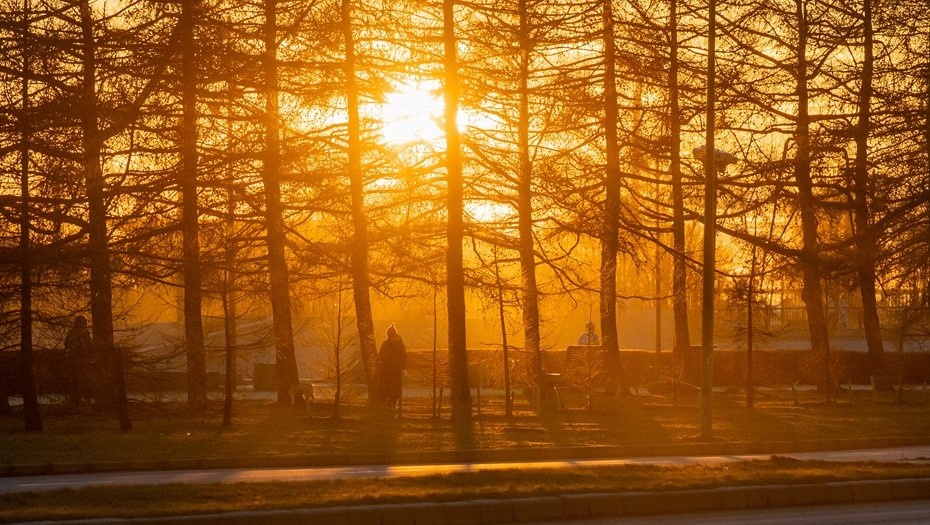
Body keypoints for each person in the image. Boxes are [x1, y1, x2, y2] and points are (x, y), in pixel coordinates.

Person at [64, 315, 94, 406]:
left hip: (70, 360)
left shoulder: (70, 332)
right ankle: (86, 400)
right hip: (82, 361)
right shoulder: (85, 333)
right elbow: (89, 347)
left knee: (73, 381)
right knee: (84, 381)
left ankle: (74, 400)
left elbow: (66, 344)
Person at [376, 323, 407, 409]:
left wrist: (378, 365)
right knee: (396, 386)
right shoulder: (400, 343)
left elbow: (381, 355)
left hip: (387, 369)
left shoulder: (386, 344)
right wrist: (403, 367)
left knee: (387, 385)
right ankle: (393, 402)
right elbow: (404, 355)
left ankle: (389, 401)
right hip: (396, 369)